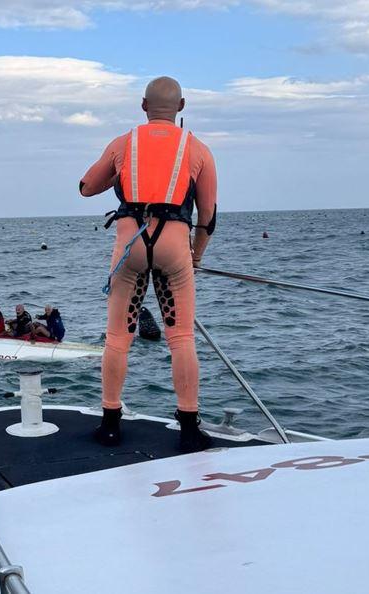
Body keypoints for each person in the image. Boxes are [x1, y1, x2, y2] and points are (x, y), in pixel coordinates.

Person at [79, 76, 218, 453]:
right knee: (182, 338)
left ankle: (110, 424)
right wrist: (196, 256)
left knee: (118, 339)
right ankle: (189, 428)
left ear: (143, 106)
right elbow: (208, 216)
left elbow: (86, 187)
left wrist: (119, 171)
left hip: (130, 247)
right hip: (175, 246)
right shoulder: (198, 149)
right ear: (182, 107)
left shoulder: (124, 144)